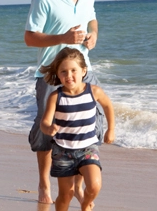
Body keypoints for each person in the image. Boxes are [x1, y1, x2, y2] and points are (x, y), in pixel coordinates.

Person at [24, 0, 104, 204]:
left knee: (89, 126)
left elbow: (92, 20)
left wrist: (94, 35)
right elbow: (29, 38)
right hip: (51, 73)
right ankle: (44, 183)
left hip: (84, 71)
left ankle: (77, 184)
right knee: (47, 130)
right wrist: (63, 38)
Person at [39, 47, 115, 211]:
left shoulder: (94, 91)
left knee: (94, 185)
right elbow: (44, 123)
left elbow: (108, 107)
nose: (69, 75)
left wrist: (111, 130)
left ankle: (85, 204)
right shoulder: (56, 97)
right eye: (63, 72)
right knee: (66, 194)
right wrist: (49, 128)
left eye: (74, 70)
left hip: (88, 148)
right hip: (63, 151)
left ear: (83, 70)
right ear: (58, 74)